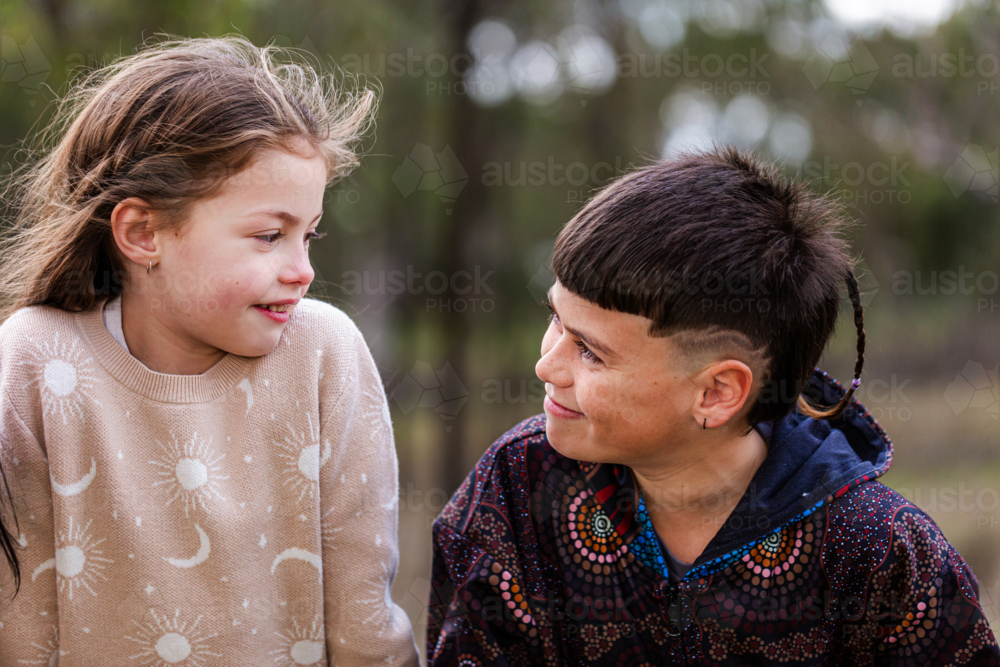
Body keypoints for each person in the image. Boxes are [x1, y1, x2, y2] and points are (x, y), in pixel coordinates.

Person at [426, 146, 1000, 666]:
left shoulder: (883, 556)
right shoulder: (515, 491)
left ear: (717, 393)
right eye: (556, 318)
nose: (546, 365)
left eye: (591, 353)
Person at [0, 34, 419, 665]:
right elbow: (19, 623)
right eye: (269, 235)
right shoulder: (34, 362)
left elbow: (364, 619)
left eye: (309, 235)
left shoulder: (324, 356)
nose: (302, 269)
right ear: (143, 233)